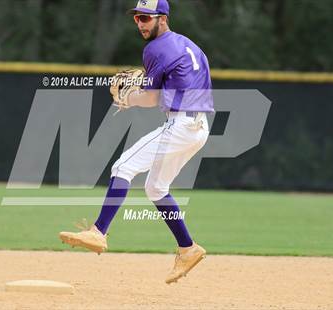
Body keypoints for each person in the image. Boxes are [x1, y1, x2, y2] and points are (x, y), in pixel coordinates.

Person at [59, 0, 214, 284]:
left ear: (162, 19)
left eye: (146, 18)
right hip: (199, 126)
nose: (141, 23)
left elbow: (152, 98)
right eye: (137, 19)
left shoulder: (155, 48)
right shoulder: (190, 45)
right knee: (156, 188)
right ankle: (188, 248)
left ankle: (99, 232)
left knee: (123, 166)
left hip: (182, 124)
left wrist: (125, 98)